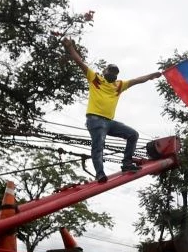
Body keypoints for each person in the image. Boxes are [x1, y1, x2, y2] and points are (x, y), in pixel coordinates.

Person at [62, 38, 161, 183]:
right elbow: (80, 63)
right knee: (98, 145)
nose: (113, 74)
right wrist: (70, 48)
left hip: (109, 122)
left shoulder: (119, 85)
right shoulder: (95, 78)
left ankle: (127, 163)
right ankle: (100, 174)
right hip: (95, 120)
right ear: (104, 71)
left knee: (133, 134)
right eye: (111, 71)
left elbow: (137, 80)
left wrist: (152, 76)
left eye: (115, 72)